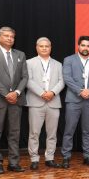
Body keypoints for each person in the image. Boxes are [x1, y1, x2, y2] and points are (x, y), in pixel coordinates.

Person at [0, 26, 28, 174]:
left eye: (12, 37)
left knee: (14, 133)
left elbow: (25, 77)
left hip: (16, 99)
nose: (10, 38)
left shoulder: (20, 54)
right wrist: (6, 94)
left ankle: (13, 163)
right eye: (6, 36)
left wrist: (16, 92)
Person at [25, 37, 65, 170]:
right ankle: (34, 159)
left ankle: (50, 158)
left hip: (53, 102)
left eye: (46, 46)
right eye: (41, 46)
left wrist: (52, 92)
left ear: (50, 47)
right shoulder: (29, 63)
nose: (44, 48)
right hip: (36, 102)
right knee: (34, 133)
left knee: (52, 133)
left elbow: (62, 81)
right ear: (36, 47)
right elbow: (28, 81)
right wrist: (42, 93)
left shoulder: (58, 64)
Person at [61, 36, 89, 168]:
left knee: (87, 130)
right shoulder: (69, 60)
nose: (85, 48)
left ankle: (87, 156)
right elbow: (67, 78)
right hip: (73, 100)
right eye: (83, 45)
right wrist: (80, 91)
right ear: (78, 46)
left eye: (88, 46)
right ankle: (66, 157)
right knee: (69, 130)